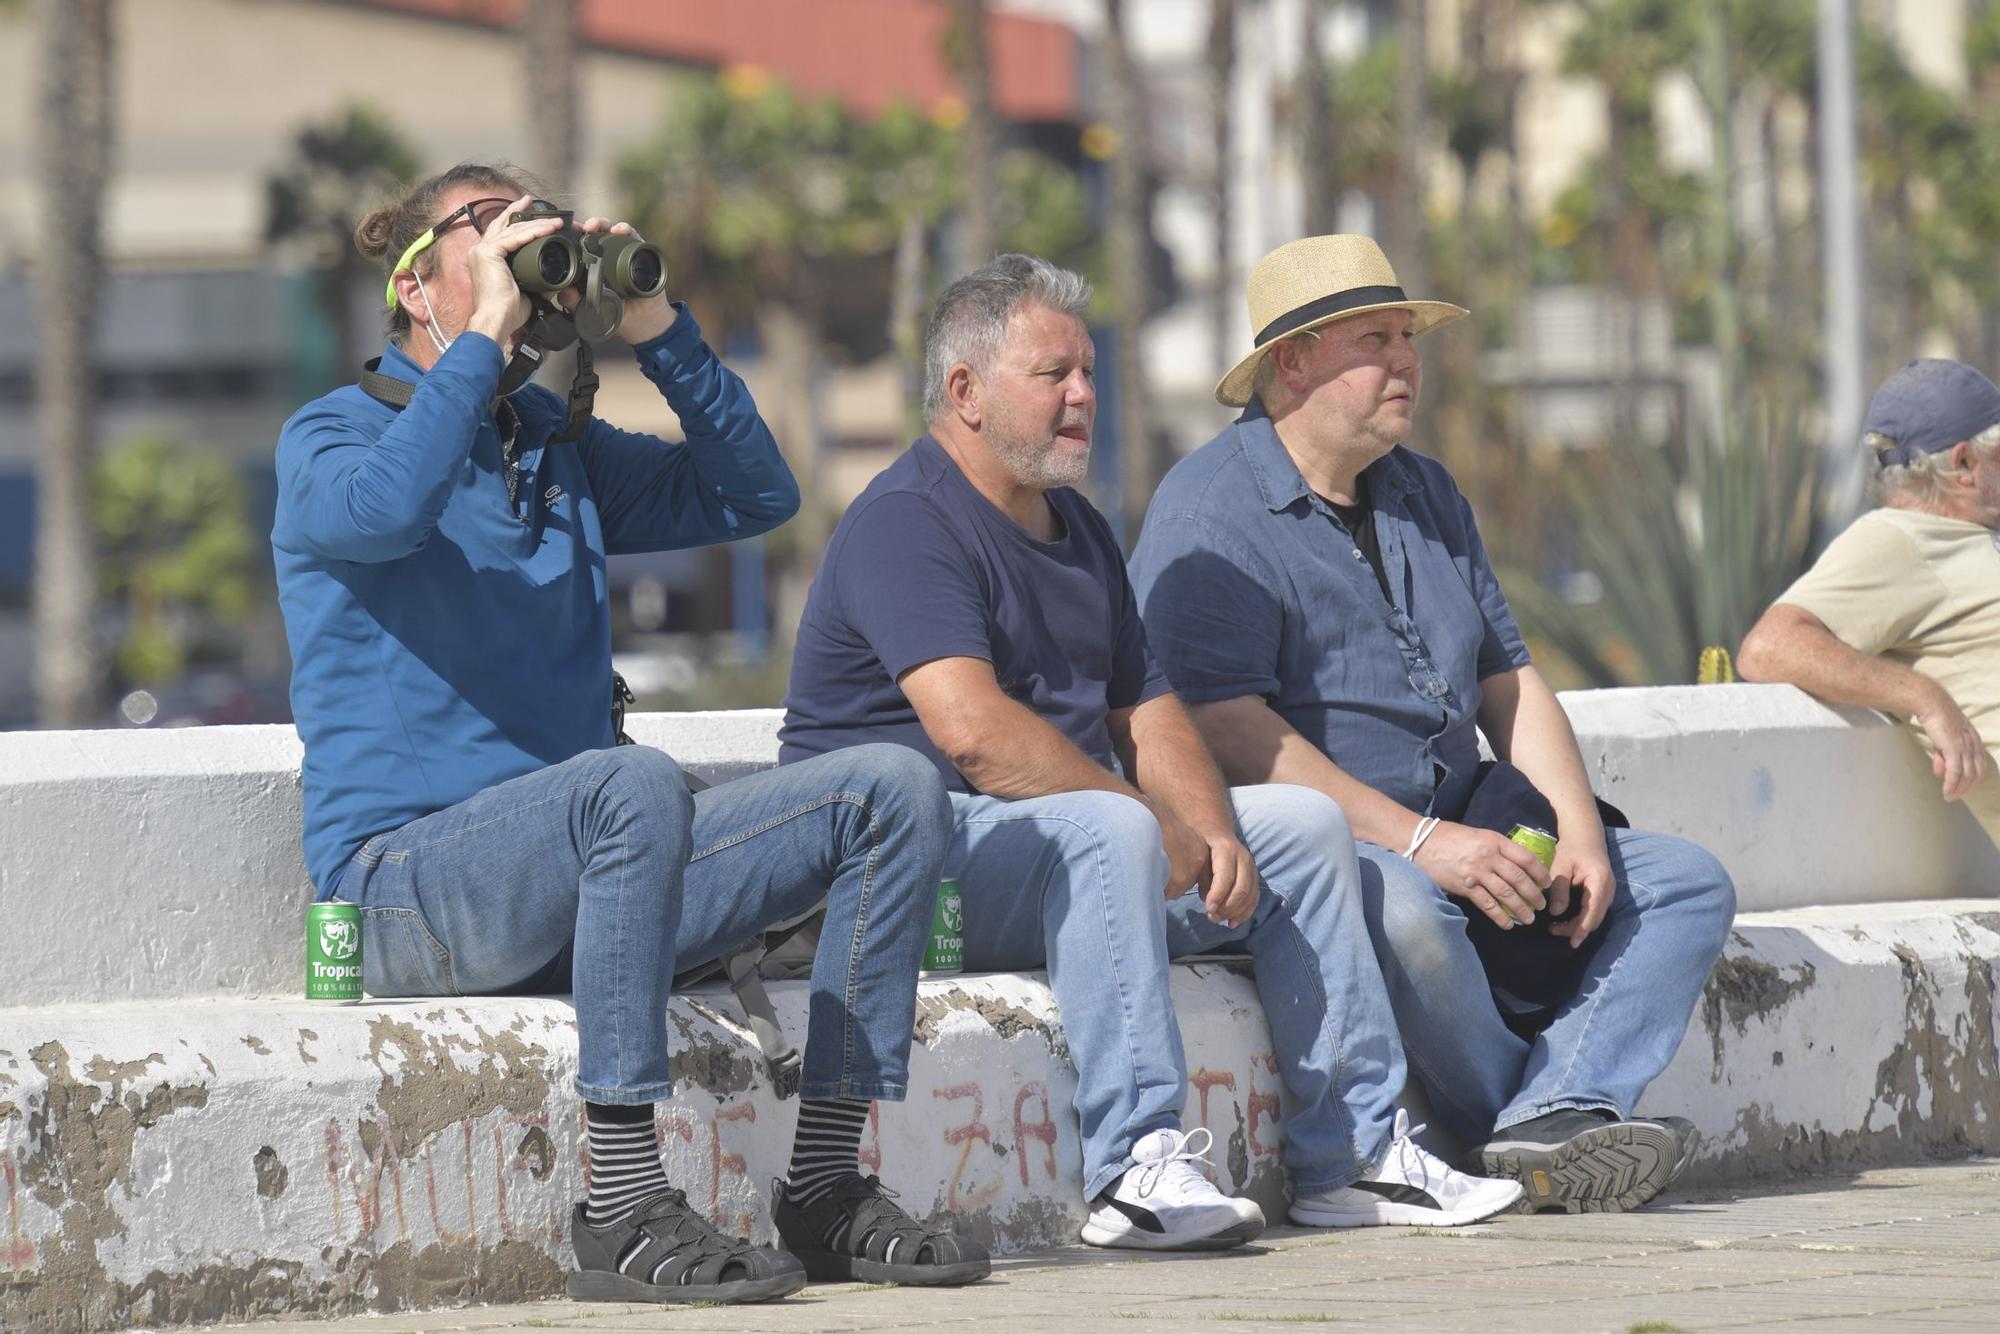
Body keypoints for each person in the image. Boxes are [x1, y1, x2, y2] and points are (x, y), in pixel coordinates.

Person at [272, 163, 986, 1304]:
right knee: (628, 780)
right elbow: (382, 514)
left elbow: (756, 495)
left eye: (540, 243)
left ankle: (822, 1182)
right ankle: (621, 1202)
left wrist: (657, 326)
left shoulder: (553, 444)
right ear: (417, 283)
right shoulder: (328, 437)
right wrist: (480, 347)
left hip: (593, 871)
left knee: (893, 785)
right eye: (493, 240)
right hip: (401, 886)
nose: (524, 264)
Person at [780, 253, 1524, 1251]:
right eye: (1053, 375)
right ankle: (1135, 1169)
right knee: (1107, 829)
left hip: (1061, 850)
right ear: (963, 392)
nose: (1083, 394)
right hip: (917, 874)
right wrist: (1149, 823)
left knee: (1297, 826)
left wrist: (1207, 826)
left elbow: (1151, 707)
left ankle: (1352, 1157)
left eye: (1087, 371)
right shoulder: (904, 523)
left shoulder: (1076, 526)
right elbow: (975, 735)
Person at [1128, 235, 1736, 1214]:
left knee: (1680, 882)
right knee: (1404, 916)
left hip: (1470, 818)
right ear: (1292, 362)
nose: (1405, 360)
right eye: (1376, 339)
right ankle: (1538, 1122)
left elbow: (1511, 680)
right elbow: (1220, 722)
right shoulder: (1209, 509)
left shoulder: (1426, 489)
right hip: (1331, 849)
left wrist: (1580, 832)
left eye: (1407, 337)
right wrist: (1418, 841)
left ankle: (1551, 1112)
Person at [1739, 359, 2000, 845]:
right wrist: (1926, 698)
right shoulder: (1897, 539)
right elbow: (1771, 646)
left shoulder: (1971, 536)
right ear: (1964, 463)